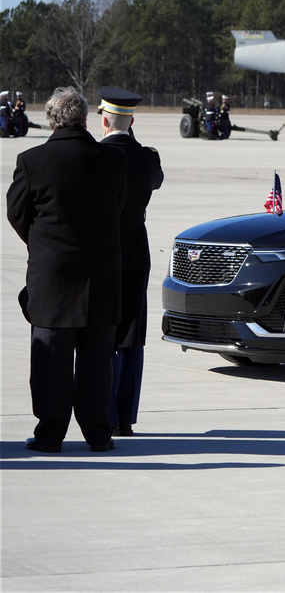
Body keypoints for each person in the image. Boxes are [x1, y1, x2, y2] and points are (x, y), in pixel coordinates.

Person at [6, 86, 126, 453]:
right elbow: (118, 208)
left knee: (51, 359)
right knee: (97, 360)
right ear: (85, 119)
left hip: (52, 275)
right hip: (101, 273)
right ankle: (98, 434)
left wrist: (43, 243)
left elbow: (17, 213)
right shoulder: (113, 160)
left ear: (51, 120)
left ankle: (50, 434)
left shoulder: (32, 160)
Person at [97, 86, 163, 436]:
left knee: (103, 333)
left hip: (104, 250)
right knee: (132, 334)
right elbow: (156, 181)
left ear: (104, 121)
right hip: (137, 249)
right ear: (132, 122)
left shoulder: (96, 156)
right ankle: (125, 418)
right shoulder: (147, 157)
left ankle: (105, 414)